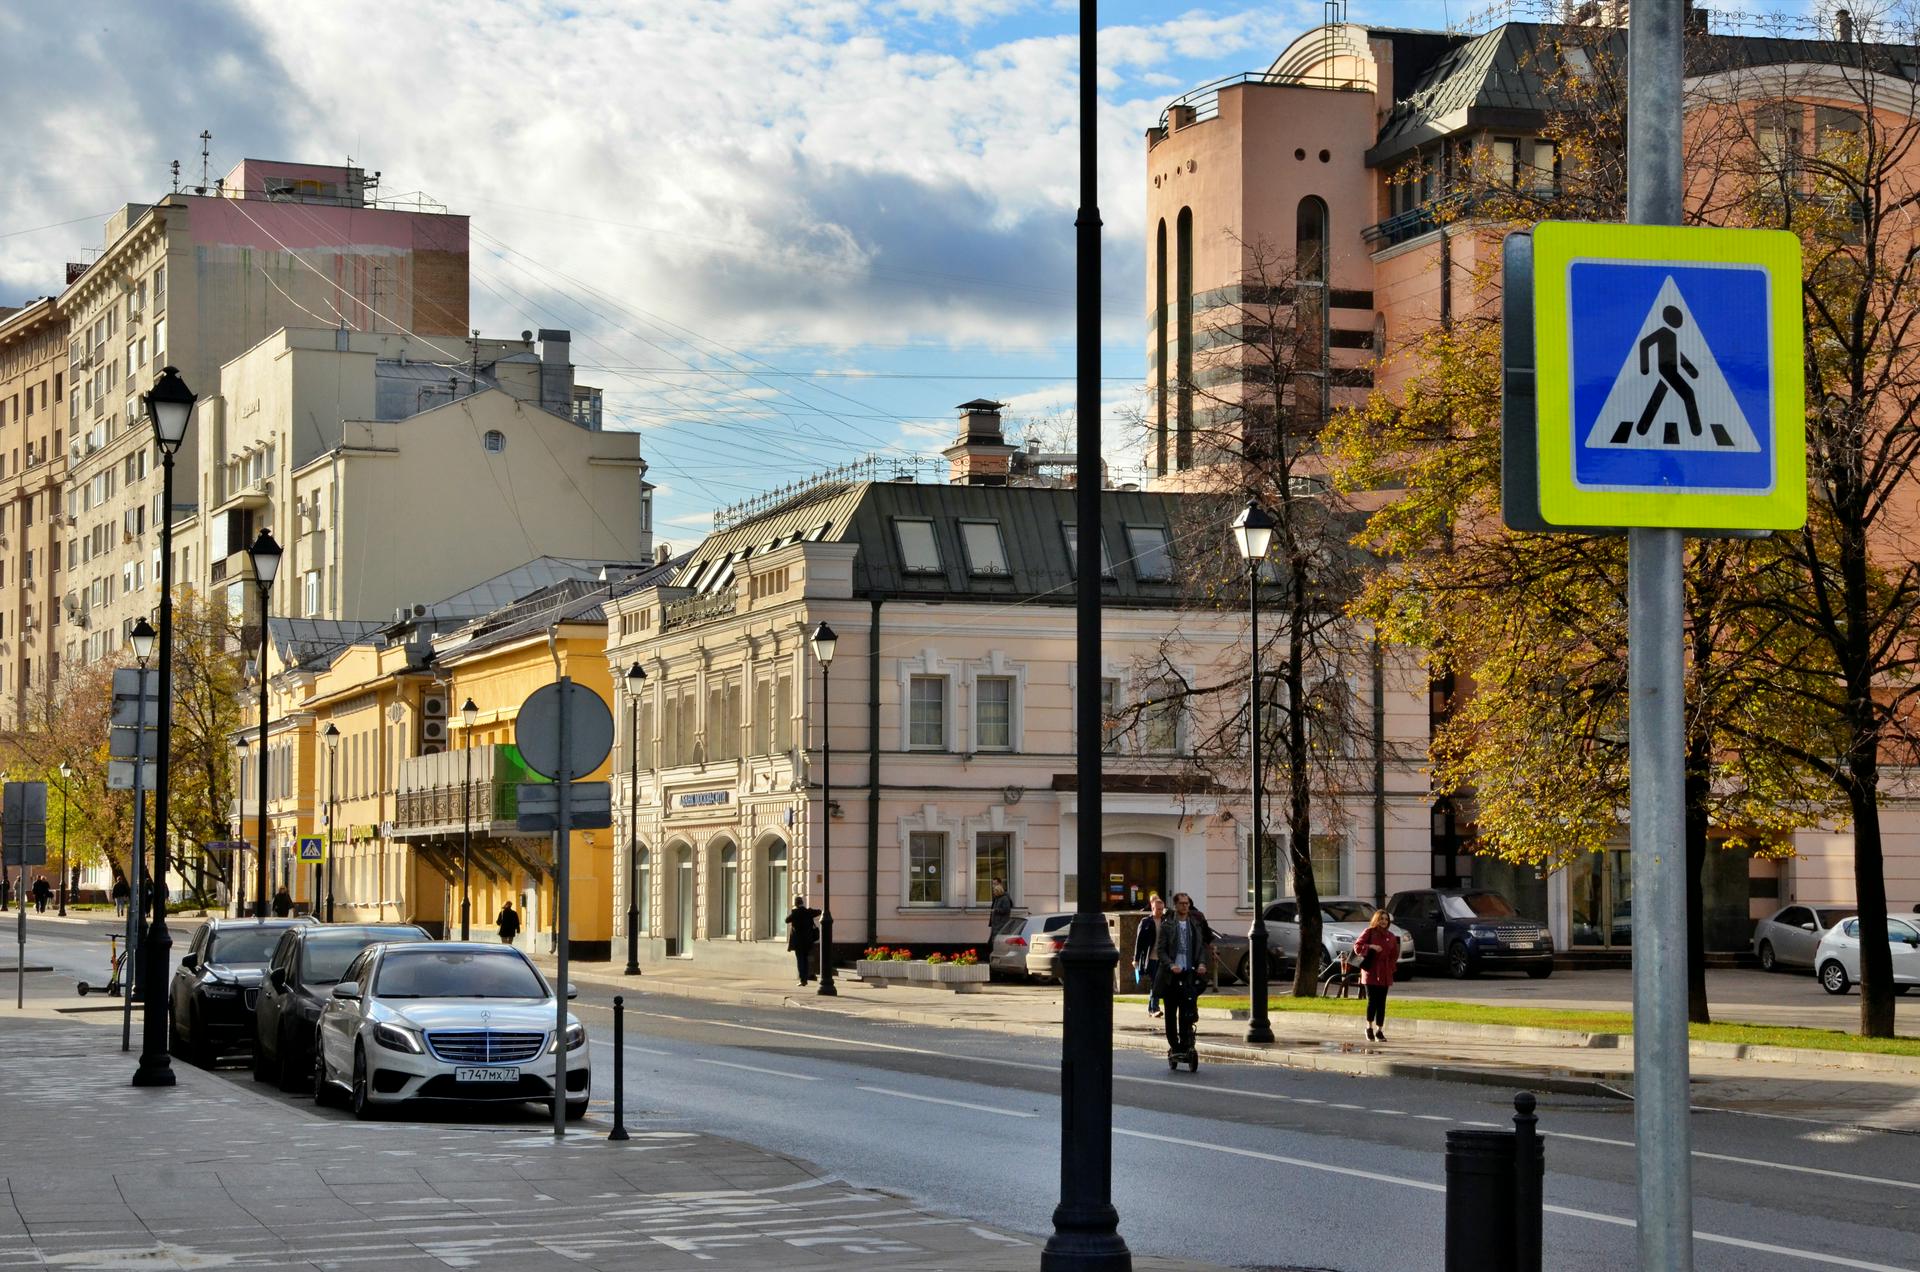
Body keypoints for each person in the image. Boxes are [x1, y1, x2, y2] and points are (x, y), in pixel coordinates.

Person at [1154, 892, 1214, 1059]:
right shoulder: (1167, 926)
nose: (1185, 906)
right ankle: (1175, 1045)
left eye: (1187, 903)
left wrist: (1201, 964)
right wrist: (1171, 965)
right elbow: (1161, 951)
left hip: (1188, 973)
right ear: (1175, 906)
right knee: (1171, 1012)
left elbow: (1200, 947)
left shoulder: (1195, 925)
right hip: (1171, 976)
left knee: (1188, 1010)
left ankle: (1187, 1043)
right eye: (1181, 903)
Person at [1352, 909, 1403, 1043]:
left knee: (1382, 1003)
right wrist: (1371, 946)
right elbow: (1357, 947)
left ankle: (1379, 1030)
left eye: (1386, 919)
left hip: (1385, 972)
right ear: (1376, 920)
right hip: (1371, 971)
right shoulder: (1369, 932)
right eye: (1381, 919)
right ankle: (1369, 1027)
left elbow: (1394, 954)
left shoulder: (1391, 936)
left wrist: (1391, 968)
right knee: (1372, 1001)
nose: (1384, 922)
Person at [1133, 894, 1165, 1017]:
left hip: (1162, 958)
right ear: (1152, 908)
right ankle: (1154, 1008)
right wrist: (1135, 959)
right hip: (1150, 958)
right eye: (1158, 909)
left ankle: (1152, 1009)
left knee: (1157, 983)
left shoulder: (1166, 922)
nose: (1160, 911)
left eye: (1162, 909)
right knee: (1155, 982)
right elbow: (1139, 941)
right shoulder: (1146, 922)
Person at [785, 896, 822, 986]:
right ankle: (805, 977)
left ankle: (803, 979)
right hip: (807, 941)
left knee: (800, 960)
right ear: (802, 903)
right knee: (805, 959)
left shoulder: (795, 913)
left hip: (798, 942)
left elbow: (786, 920)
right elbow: (819, 911)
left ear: (796, 904)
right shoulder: (808, 912)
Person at [988, 877, 1012, 947]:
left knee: (998, 943)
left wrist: (996, 910)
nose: (994, 886)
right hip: (995, 924)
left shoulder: (1005, 897)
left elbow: (1006, 909)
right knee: (993, 942)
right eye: (993, 884)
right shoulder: (996, 897)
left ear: (1000, 885)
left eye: (995, 884)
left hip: (1001, 924)